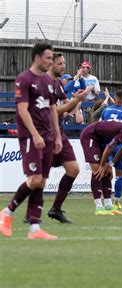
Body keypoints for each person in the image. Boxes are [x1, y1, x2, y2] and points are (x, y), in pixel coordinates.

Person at [0, 43, 62, 240]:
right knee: (34, 179)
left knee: (41, 182)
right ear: (37, 58)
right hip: (30, 136)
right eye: (48, 58)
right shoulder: (23, 80)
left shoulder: (49, 81)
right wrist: (34, 134)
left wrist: (58, 135)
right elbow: (22, 110)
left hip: (48, 136)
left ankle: (34, 229)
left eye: (52, 59)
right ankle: (7, 212)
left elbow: (52, 109)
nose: (50, 62)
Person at [36, 52, 89, 224]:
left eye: (63, 63)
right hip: (46, 134)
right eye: (60, 64)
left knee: (73, 169)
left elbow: (65, 108)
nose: (64, 66)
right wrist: (76, 101)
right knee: (40, 176)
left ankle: (55, 209)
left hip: (60, 133)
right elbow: (54, 111)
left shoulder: (58, 85)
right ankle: (31, 213)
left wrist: (76, 99)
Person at [100, 89, 122, 210]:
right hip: (119, 146)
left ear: (114, 99)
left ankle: (104, 200)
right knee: (119, 176)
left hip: (107, 146)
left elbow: (101, 126)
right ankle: (117, 201)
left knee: (104, 173)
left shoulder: (106, 110)